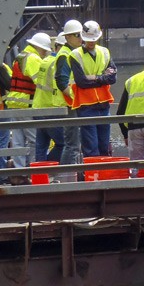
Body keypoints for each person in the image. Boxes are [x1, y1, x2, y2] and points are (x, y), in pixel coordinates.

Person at [4, 32, 52, 175]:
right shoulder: (34, 59)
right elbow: (41, 83)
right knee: (35, 140)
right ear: (39, 48)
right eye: (44, 51)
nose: (44, 54)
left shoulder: (20, 56)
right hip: (27, 104)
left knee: (18, 141)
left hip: (15, 103)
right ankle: (34, 171)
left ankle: (20, 172)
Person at [69, 20, 117, 158]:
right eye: (89, 39)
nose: (91, 42)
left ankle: (104, 174)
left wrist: (94, 78)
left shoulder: (104, 52)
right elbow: (81, 82)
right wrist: (102, 78)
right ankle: (94, 175)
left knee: (104, 145)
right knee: (91, 147)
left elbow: (113, 78)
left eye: (94, 39)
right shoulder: (75, 55)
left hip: (103, 104)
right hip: (86, 106)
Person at [31, 33, 67, 163]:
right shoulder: (58, 63)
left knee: (41, 145)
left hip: (38, 108)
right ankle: (51, 166)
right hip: (51, 110)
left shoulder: (45, 61)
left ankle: (40, 174)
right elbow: (59, 87)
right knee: (63, 144)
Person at [55, 19, 83, 177]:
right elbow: (61, 81)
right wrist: (76, 99)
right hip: (71, 105)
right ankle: (66, 177)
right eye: (77, 35)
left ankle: (68, 175)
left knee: (73, 143)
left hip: (73, 104)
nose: (80, 38)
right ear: (67, 37)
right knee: (72, 144)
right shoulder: (65, 55)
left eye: (81, 35)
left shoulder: (72, 53)